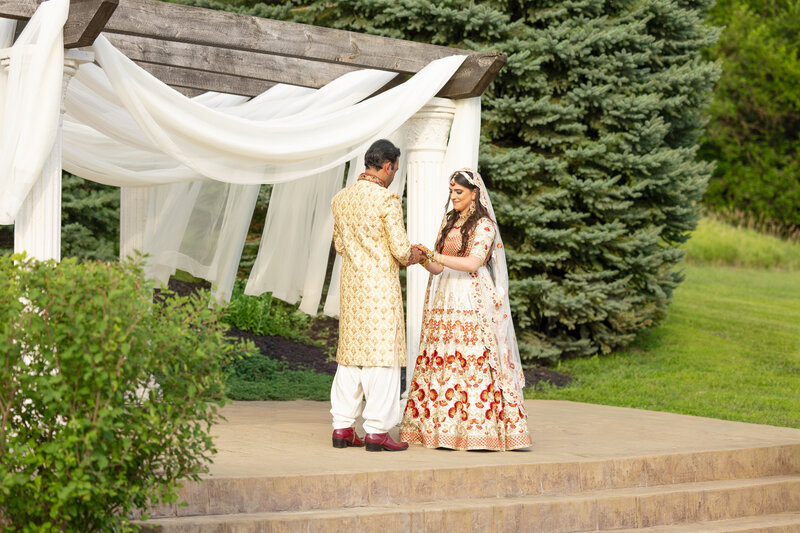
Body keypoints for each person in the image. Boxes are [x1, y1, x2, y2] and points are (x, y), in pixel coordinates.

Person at [400, 168, 532, 451]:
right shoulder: (450, 222)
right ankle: (440, 430)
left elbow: (473, 263)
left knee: (470, 359)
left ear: (475, 193)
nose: (454, 196)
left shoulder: (484, 225)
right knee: (443, 358)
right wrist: (424, 258)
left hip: (471, 298)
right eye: (452, 191)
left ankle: (477, 431)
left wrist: (437, 256)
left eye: (459, 192)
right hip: (445, 297)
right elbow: (438, 267)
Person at [329, 139, 423, 452]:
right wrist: (421, 254)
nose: (394, 173)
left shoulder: (341, 199)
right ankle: (377, 432)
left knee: (351, 356)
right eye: (395, 168)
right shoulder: (387, 199)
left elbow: (340, 246)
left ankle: (342, 428)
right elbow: (401, 250)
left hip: (352, 288)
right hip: (380, 290)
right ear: (387, 166)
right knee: (383, 357)